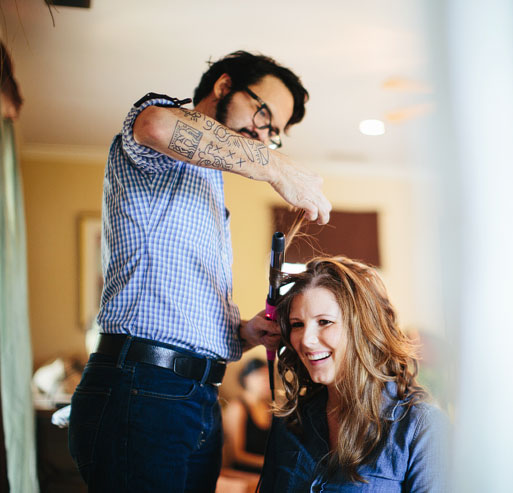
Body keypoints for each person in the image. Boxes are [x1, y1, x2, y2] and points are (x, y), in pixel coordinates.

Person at [68, 50, 331, 492]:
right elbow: (156, 124)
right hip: (144, 387)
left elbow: (180, 302)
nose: (263, 136)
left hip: (195, 393)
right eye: (263, 115)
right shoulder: (159, 143)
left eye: (274, 135)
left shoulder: (210, 185)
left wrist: (244, 333)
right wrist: (276, 167)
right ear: (224, 86)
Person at [259, 257, 449, 492]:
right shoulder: (291, 420)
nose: (306, 340)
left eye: (325, 322)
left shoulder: (420, 427)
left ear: (364, 329)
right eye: (297, 324)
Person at [222, 358, 272, 474]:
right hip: (244, 472)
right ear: (246, 379)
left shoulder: (268, 407)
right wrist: (269, 463)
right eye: (261, 376)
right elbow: (237, 456)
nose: (267, 382)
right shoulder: (237, 407)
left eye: (268, 377)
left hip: (266, 471)